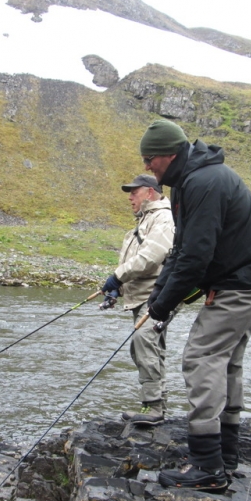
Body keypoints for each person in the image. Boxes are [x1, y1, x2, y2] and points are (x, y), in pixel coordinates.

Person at [139, 119, 251, 491]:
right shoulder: (191, 179)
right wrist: (158, 296)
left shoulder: (203, 182)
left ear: (169, 154)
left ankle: (207, 467)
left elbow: (196, 257)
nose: (146, 167)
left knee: (201, 357)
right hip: (246, 279)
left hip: (243, 282)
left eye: (149, 158)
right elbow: (183, 248)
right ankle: (226, 457)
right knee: (227, 360)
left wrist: (162, 307)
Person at [100, 174, 175, 425]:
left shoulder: (163, 218)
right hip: (142, 295)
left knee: (143, 343)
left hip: (158, 295)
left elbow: (150, 258)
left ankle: (152, 407)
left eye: (134, 192)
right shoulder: (143, 222)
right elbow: (137, 262)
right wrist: (116, 290)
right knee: (150, 347)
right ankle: (158, 404)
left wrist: (116, 277)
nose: (130, 197)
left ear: (150, 193)